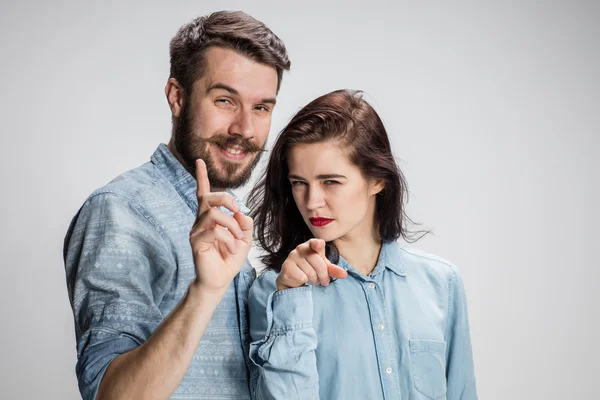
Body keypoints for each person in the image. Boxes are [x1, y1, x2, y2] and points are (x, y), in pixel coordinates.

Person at [63, 11, 310, 400]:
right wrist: (203, 292)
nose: (245, 129)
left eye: (262, 108)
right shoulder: (121, 211)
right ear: (177, 97)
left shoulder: (221, 214)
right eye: (226, 100)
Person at [248, 89, 478, 400]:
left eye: (330, 181)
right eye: (299, 183)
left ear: (377, 180)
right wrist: (290, 298)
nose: (312, 202)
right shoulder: (275, 292)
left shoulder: (441, 283)